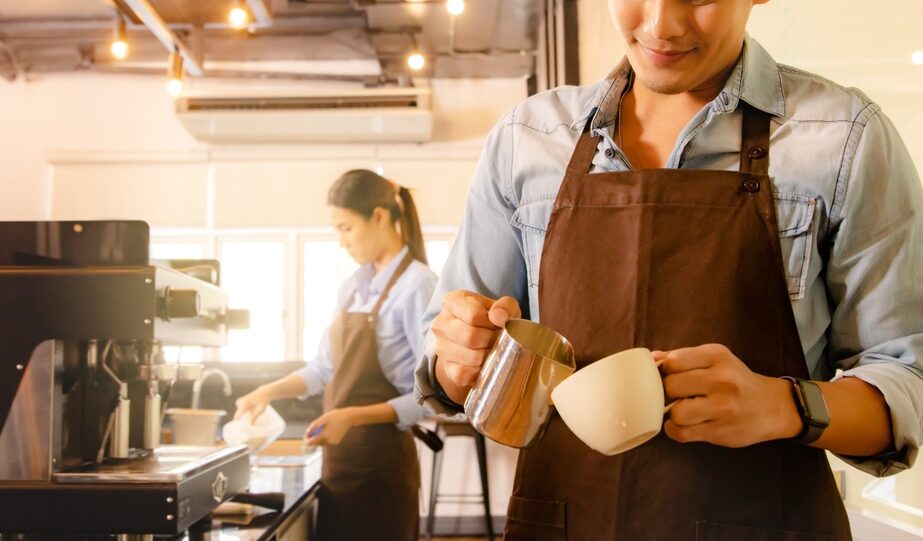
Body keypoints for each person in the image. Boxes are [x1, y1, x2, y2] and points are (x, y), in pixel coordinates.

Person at [414, 1, 923, 539]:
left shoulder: (844, 138)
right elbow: (447, 369)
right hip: (560, 523)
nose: (661, 25)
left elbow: (908, 379)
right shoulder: (527, 137)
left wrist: (784, 405)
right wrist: (460, 353)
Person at [236, 169, 437, 541]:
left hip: (382, 469)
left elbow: (432, 397)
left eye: (346, 228)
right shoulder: (352, 288)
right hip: (340, 463)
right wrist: (266, 392)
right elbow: (322, 369)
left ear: (378, 217)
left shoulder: (419, 286)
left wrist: (352, 417)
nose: (341, 241)